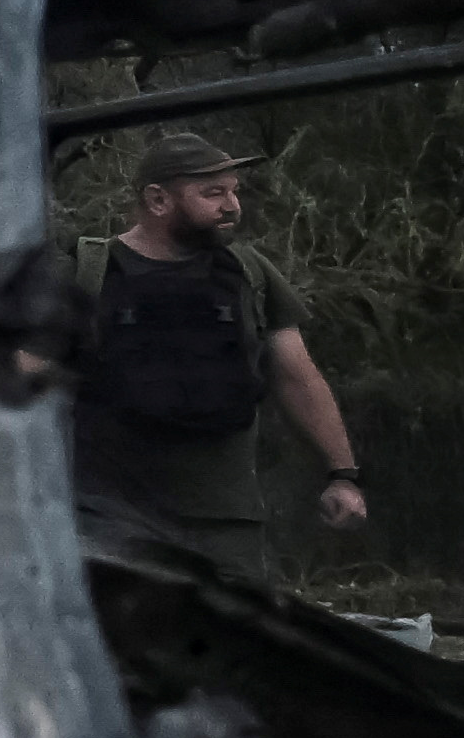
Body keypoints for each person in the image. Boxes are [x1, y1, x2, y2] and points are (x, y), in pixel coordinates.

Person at [66, 125, 371, 578]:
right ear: (157, 200)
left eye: (233, 192)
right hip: (109, 516)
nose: (232, 206)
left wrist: (342, 474)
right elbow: (20, 379)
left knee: (235, 640)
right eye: (213, 193)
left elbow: (297, 376)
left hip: (225, 519)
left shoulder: (248, 273)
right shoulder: (87, 273)